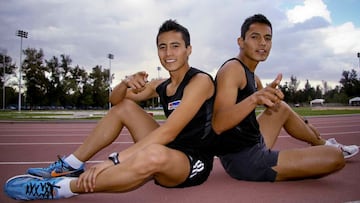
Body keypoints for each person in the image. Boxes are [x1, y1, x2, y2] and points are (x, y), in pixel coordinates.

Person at [4, 19, 217, 200]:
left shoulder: (200, 81)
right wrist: (126, 83)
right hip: (170, 146)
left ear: (188, 49)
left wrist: (113, 161)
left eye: (175, 46)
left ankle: (61, 188)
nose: (168, 53)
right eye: (162, 47)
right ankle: (72, 164)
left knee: (153, 153)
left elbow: (168, 131)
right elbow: (115, 101)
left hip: (191, 161)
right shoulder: (160, 85)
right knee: (126, 107)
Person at [212, 14, 359, 182]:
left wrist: (304, 123)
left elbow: (277, 105)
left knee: (280, 107)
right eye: (255, 37)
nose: (262, 43)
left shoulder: (253, 77)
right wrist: (254, 99)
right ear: (240, 42)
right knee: (335, 158)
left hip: (253, 142)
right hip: (244, 159)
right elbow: (218, 124)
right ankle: (328, 150)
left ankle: (324, 144)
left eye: (267, 38)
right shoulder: (232, 70)